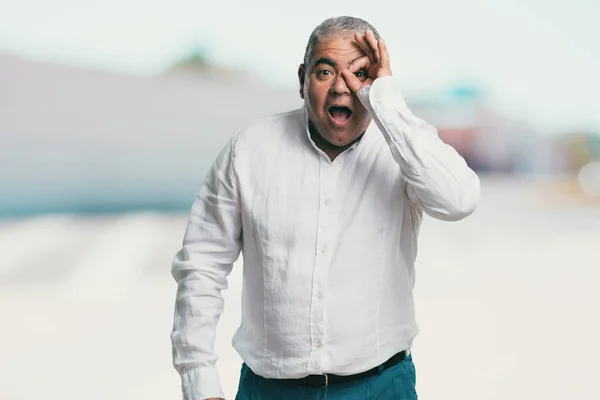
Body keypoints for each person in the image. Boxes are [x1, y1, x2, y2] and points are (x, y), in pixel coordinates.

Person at [170, 16, 480, 400]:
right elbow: (201, 265)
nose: (341, 87)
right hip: (269, 390)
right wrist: (198, 381)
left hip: (382, 387)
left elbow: (459, 199)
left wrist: (386, 98)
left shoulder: (403, 150)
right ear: (302, 79)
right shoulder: (249, 149)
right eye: (325, 71)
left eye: (360, 74)